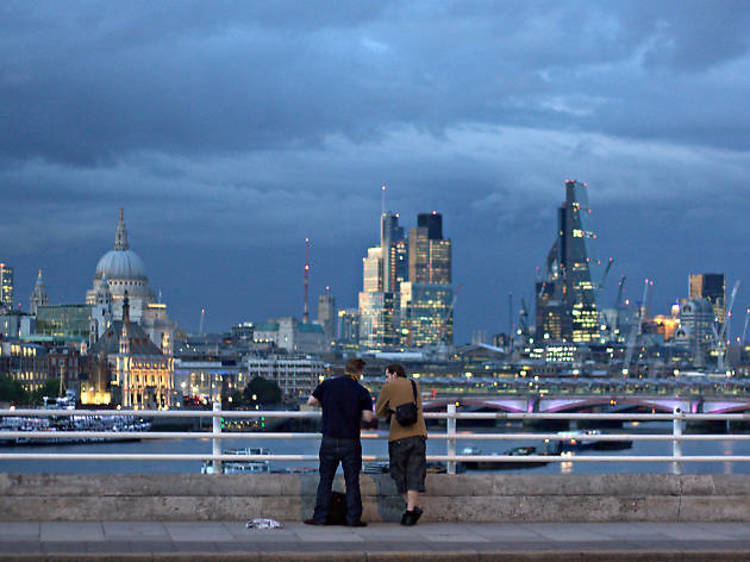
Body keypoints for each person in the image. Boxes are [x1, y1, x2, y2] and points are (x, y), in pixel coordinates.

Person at [304, 358, 373, 527]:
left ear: (345, 369)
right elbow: (368, 417)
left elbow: (311, 401)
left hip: (329, 439)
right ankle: (353, 519)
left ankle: (320, 517)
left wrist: (327, 405)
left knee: (325, 480)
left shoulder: (328, 385)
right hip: (350, 440)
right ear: (359, 372)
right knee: (352, 481)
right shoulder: (361, 391)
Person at [374, 363, 427, 526]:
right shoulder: (414, 384)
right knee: (415, 473)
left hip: (398, 436)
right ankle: (410, 511)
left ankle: (412, 510)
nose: (386, 378)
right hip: (418, 434)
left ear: (394, 374)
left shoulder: (388, 387)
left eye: (387, 375)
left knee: (399, 474)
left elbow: (378, 411)